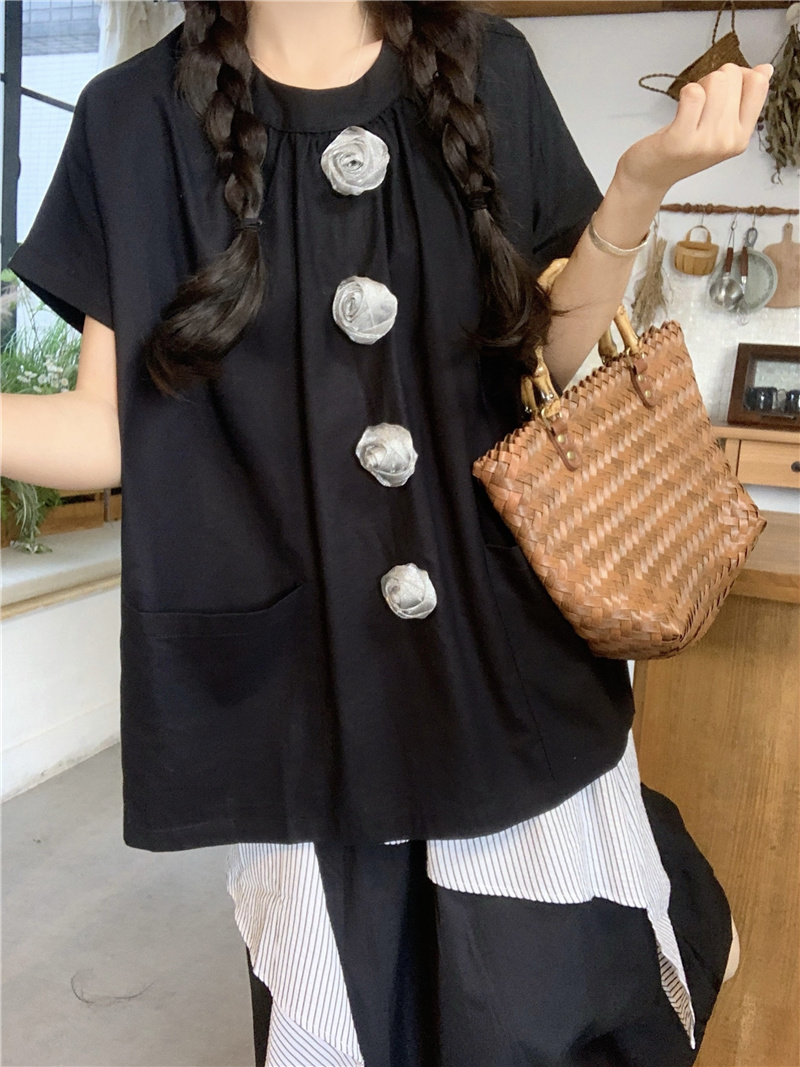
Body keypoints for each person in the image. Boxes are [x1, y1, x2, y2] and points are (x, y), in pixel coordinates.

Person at [2, 2, 766, 1064]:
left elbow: (547, 358)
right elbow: (108, 427)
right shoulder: (130, 120)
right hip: (297, 695)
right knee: (359, 1019)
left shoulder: (489, 67)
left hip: (498, 667)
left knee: (548, 1012)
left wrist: (638, 187)